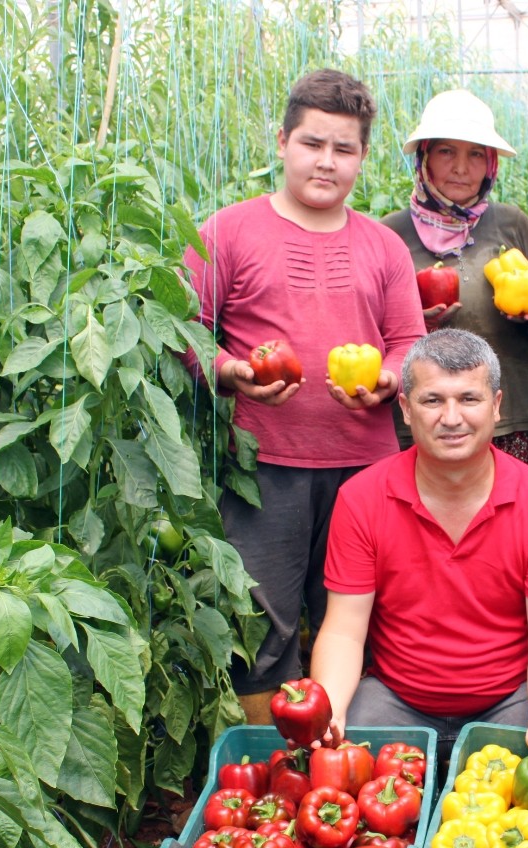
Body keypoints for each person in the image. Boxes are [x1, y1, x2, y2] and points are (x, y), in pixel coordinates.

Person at [177, 69, 425, 723]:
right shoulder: (228, 232)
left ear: (362, 156)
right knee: (263, 624)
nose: (326, 162)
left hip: (366, 471)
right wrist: (229, 371)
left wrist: (389, 378)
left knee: (362, 616)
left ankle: (351, 755)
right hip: (264, 468)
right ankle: (267, 759)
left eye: (344, 148)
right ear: (283, 142)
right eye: (313, 143)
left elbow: (408, 341)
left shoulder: (383, 246)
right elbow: (184, 331)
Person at [309, 329, 528, 758]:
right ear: (406, 409)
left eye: (469, 399)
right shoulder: (361, 498)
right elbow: (343, 631)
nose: (451, 418)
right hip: (394, 699)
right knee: (324, 759)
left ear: (497, 406)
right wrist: (332, 712)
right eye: (432, 400)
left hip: (511, 700)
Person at [380, 90, 528, 474]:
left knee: (510, 509)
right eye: (446, 152)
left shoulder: (512, 224)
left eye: (475, 154)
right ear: (424, 157)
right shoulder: (390, 234)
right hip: (427, 420)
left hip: (512, 412)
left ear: (490, 163)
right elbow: (370, 325)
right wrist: (414, 323)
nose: (461, 167)